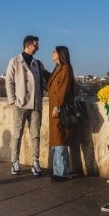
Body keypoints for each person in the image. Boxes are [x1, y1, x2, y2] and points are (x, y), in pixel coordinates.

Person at [5, 35, 49, 176]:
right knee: (17, 134)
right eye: (36, 45)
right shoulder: (15, 61)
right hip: (21, 103)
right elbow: (9, 81)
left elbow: (48, 78)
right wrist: (12, 100)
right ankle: (14, 161)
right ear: (28, 45)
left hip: (36, 103)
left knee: (35, 135)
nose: (38, 47)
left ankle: (35, 162)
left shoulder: (38, 63)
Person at [47, 46, 76, 182]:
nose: (52, 53)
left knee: (60, 139)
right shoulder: (58, 69)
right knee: (56, 140)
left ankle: (62, 172)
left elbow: (63, 89)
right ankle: (57, 170)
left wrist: (57, 106)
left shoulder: (65, 69)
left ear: (61, 54)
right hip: (55, 108)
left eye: (55, 51)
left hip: (60, 109)